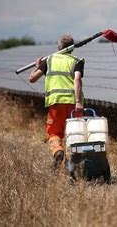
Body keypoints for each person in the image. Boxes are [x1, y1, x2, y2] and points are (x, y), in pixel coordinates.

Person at [29, 34, 85, 168]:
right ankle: (74, 165)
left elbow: (32, 78)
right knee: (76, 134)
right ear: (72, 48)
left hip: (56, 103)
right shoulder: (77, 61)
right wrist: (78, 101)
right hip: (73, 103)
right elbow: (77, 80)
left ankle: (58, 151)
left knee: (54, 132)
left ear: (59, 46)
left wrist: (37, 66)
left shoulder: (49, 60)